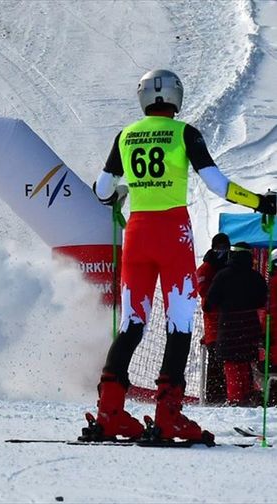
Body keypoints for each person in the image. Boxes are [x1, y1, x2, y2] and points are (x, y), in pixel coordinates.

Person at [89, 69, 276, 442]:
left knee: (132, 324)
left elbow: (103, 189)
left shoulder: (125, 136)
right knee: (179, 323)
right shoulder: (184, 133)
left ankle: (110, 413)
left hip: (137, 234)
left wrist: (121, 194)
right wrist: (260, 202)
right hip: (172, 235)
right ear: (176, 97)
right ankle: (168, 415)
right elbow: (218, 185)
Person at [204, 242, 267, 406]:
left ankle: (235, 399)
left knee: (231, 364)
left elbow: (209, 303)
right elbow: (262, 301)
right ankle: (246, 396)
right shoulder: (257, 278)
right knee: (246, 363)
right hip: (250, 328)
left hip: (228, 328)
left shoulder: (222, 276)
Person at [195, 232, 231, 404]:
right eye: (219, 247)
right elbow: (204, 293)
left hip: (228, 323)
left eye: (225, 247)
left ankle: (225, 394)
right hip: (214, 324)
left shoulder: (228, 266)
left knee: (226, 361)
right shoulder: (206, 268)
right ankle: (214, 396)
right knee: (215, 362)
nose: (222, 251)